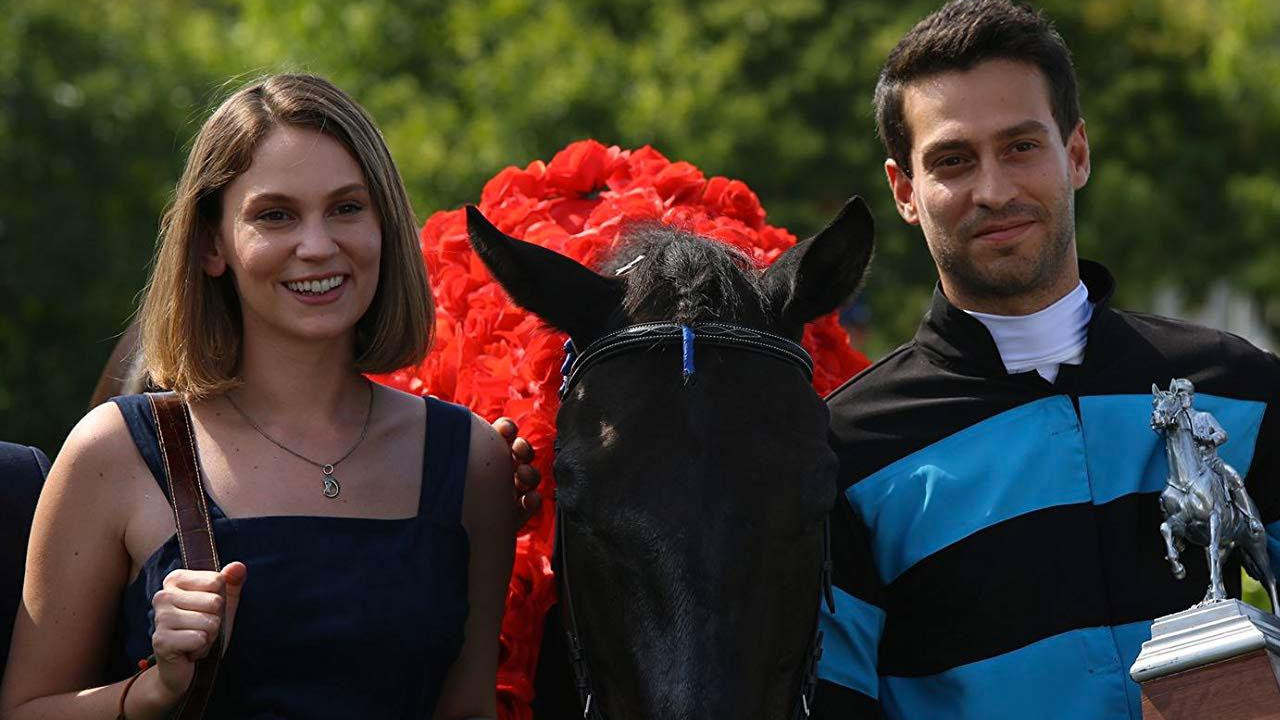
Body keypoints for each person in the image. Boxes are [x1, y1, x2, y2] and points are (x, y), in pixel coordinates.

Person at [0, 74, 536, 719]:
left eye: (347, 208)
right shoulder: (113, 452)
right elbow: (25, 711)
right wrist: (155, 692)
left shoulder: (472, 460)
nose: (318, 246)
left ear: (385, 226)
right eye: (274, 215)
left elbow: (469, 710)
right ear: (211, 244)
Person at [813, 1, 1280, 718]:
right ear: (904, 191)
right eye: (953, 161)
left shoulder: (1238, 389)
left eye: (1021, 146)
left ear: (1077, 154)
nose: (994, 191)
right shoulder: (845, 454)